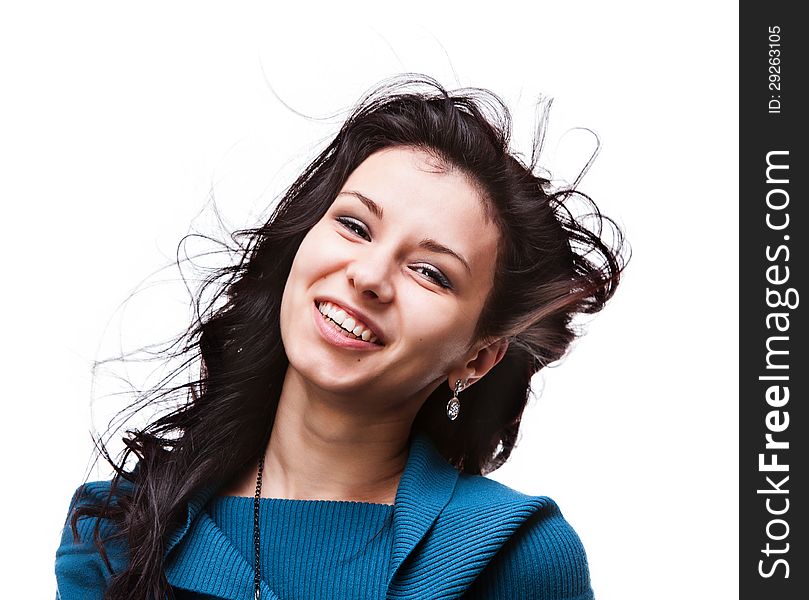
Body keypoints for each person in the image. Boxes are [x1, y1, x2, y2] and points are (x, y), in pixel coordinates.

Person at [55, 74, 627, 600]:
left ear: (477, 358)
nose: (370, 276)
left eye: (430, 272)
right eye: (354, 226)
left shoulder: (514, 557)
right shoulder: (116, 532)